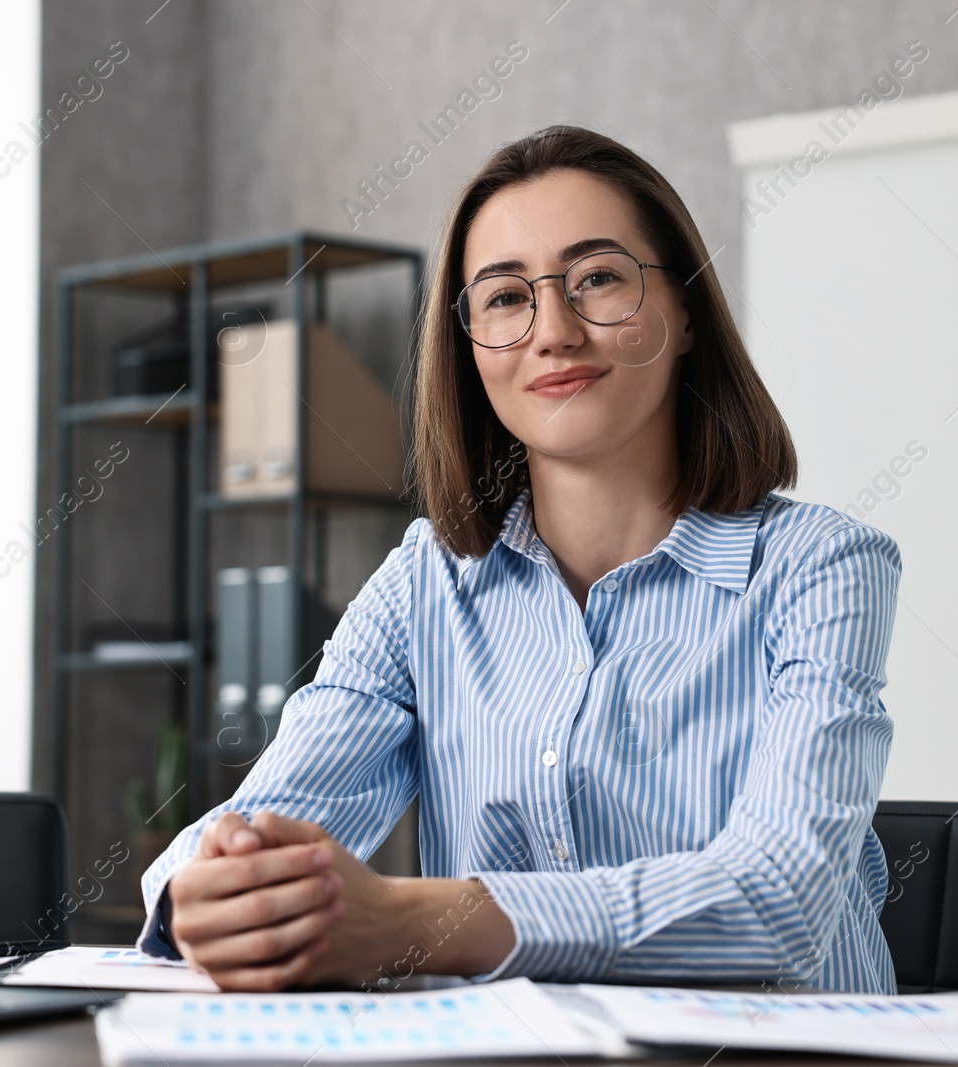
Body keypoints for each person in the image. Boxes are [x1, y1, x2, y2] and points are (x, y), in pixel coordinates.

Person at [136, 124, 902, 995]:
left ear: (685, 312)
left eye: (599, 279)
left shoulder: (821, 566)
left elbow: (777, 905)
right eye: (504, 297)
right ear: (467, 343)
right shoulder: (425, 582)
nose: (554, 331)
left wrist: (410, 920)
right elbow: (252, 826)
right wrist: (214, 887)